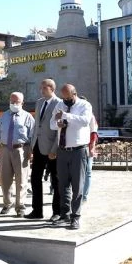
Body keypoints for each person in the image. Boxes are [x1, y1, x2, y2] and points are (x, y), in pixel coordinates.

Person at [49, 83, 92, 230]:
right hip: (62, 150)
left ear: (74, 94)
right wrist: (58, 123)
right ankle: (65, 215)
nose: (65, 100)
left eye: (67, 98)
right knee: (62, 185)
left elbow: (85, 121)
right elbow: (51, 124)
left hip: (78, 150)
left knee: (77, 185)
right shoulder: (60, 104)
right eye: (63, 97)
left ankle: (76, 217)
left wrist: (66, 116)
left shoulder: (84, 105)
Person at [25, 79, 62, 220]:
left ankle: (57, 212)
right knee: (35, 178)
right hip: (38, 146)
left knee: (55, 180)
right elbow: (36, 127)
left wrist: (55, 148)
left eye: (43, 87)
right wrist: (31, 147)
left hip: (52, 148)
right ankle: (37, 211)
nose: (41, 89)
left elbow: (59, 128)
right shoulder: (39, 102)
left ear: (51, 88)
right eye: (40, 87)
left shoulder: (59, 103)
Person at [0, 92, 34, 217]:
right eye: (12, 101)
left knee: (21, 180)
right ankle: (7, 204)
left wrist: (32, 151)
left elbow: (33, 135)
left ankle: (20, 206)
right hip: (5, 150)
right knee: (4, 179)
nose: (14, 104)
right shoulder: (4, 116)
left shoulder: (28, 117)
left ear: (22, 103)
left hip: (21, 149)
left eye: (17, 102)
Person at [82, 115, 99, 202]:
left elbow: (93, 134)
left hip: (87, 148)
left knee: (87, 172)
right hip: (80, 147)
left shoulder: (91, 117)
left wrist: (92, 148)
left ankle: (84, 196)